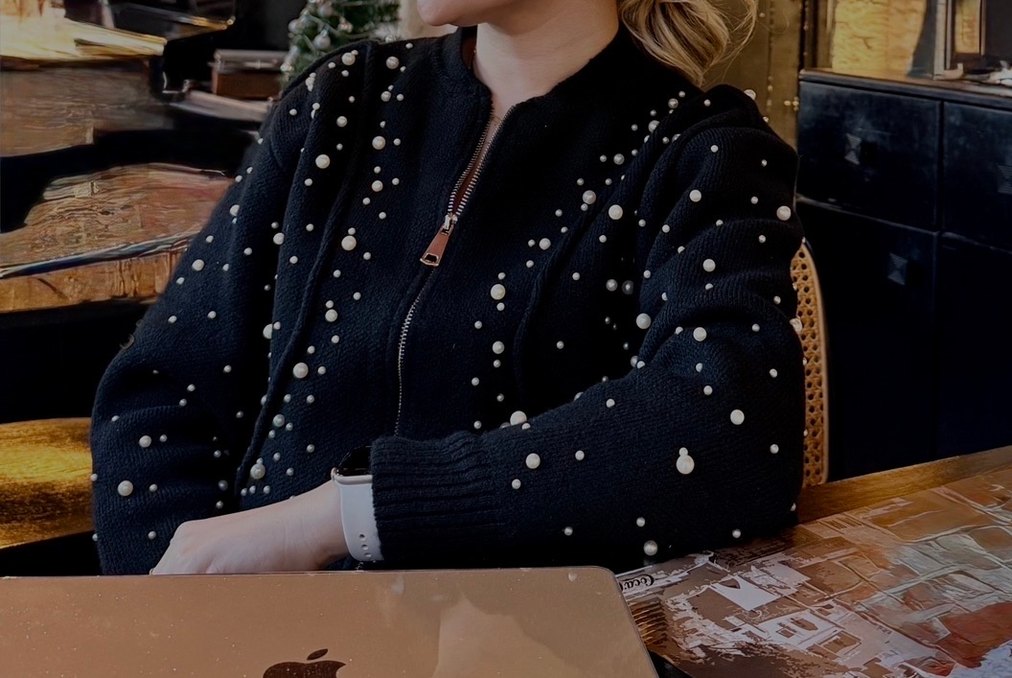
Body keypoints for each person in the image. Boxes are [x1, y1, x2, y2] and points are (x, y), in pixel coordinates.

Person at [90, 0, 805, 575]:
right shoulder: (339, 105)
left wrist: (350, 514)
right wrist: (176, 605)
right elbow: (161, 393)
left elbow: (732, 426)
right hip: (258, 640)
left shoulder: (701, 154)